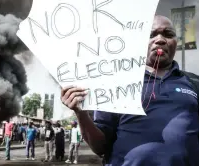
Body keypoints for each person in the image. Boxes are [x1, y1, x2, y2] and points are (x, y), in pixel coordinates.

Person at [61, 15, 199, 166]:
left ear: (176, 42)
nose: (160, 39)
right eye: (151, 35)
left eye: (168, 34)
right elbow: (99, 147)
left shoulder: (194, 82)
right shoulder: (117, 83)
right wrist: (81, 114)